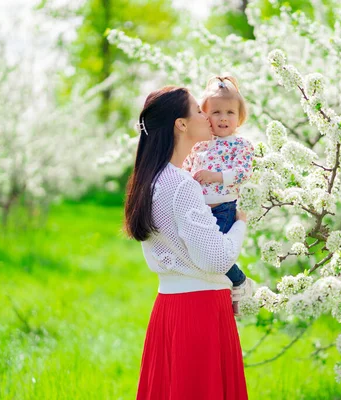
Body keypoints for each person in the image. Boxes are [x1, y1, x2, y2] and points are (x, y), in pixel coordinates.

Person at [124, 85, 251, 399]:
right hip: (200, 311)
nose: (207, 116)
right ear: (181, 124)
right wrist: (241, 225)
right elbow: (215, 259)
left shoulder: (152, 179)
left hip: (169, 307)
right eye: (198, 110)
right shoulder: (182, 185)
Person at [182, 76, 255, 315]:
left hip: (223, 207)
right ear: (205, 116)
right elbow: (186, 168)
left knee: (216, 254)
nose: (223, 118)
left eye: (230, 112)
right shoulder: (200, 145)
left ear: (239, 117)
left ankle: (239, 281)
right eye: (216, 112)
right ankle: (222, 287)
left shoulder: (240, 145)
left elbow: (244, 173)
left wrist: (216, 176)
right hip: (199, 207)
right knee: (199, 251)